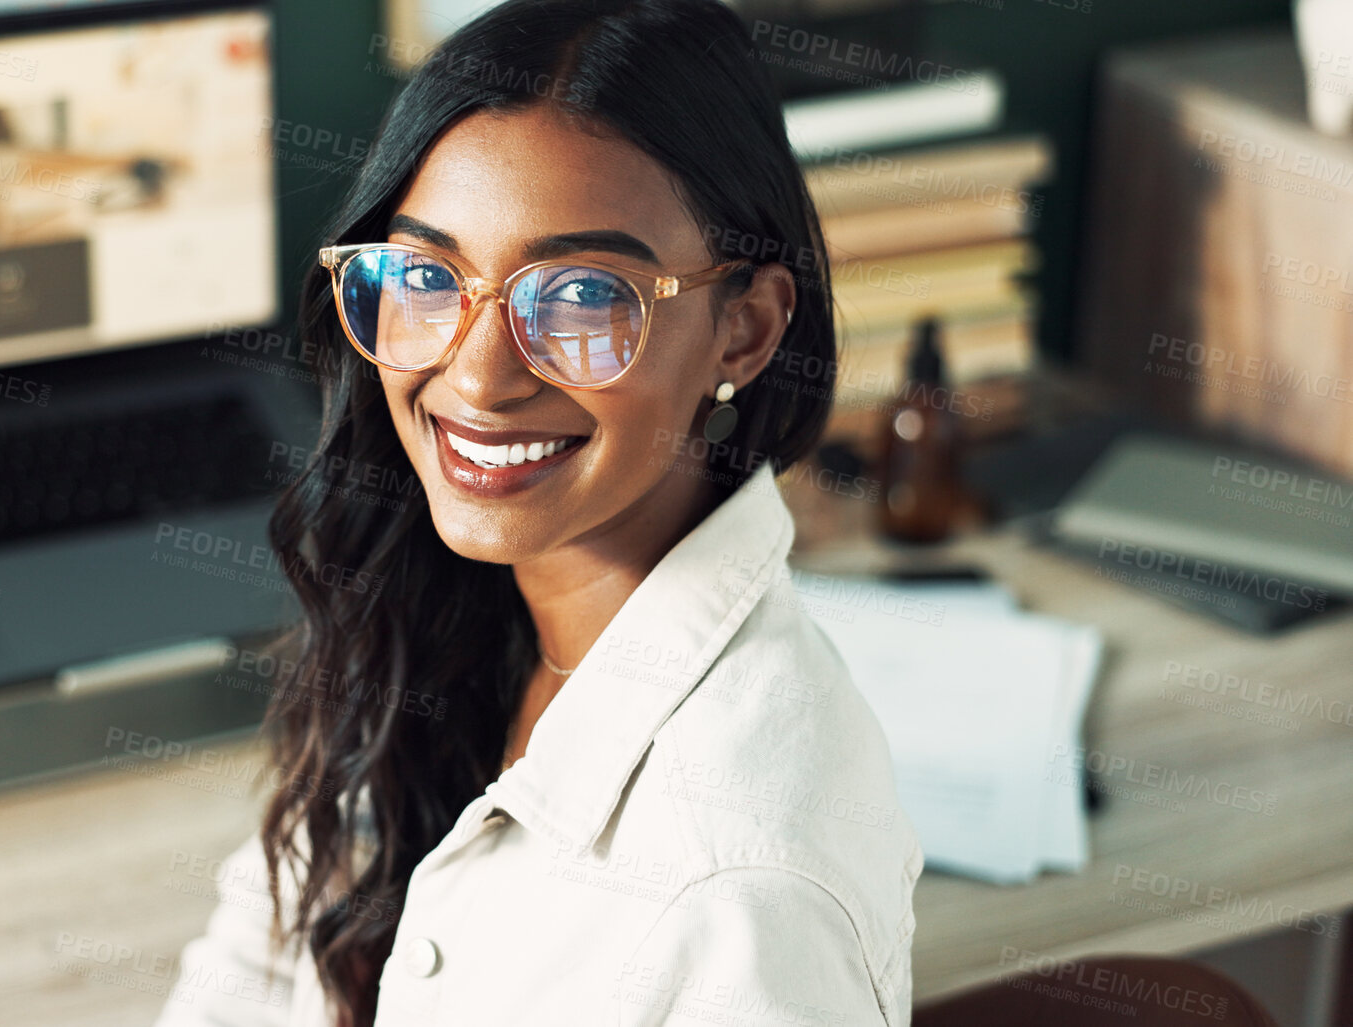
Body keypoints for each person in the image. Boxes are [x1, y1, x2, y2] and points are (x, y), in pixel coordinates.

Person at [158, 1, 922, 1023]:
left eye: (579, 297)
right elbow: (255, 959)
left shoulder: (742, 893)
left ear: (743, 330)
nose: (477, 379)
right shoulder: (437, 602)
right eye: (427, 274)